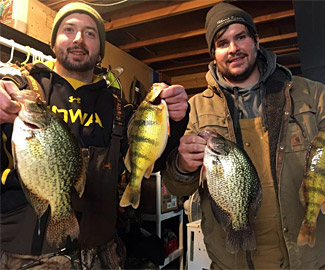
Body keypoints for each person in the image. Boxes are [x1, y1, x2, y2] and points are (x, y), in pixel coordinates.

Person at [162, 2, 325, 270]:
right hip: (232, 261)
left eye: (240, 37)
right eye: (222, 43)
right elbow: (176, 187)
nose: (233, 49)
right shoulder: (195, 109)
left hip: (306, 260)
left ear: (256, 40)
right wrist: (183, 166)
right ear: (213, 53)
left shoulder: (307, 92)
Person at [0, 2, 188, 269]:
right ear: (53, 43)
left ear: (100, 51)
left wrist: (176, 120)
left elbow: (152, 160)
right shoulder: (20, 89)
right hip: (26, 257)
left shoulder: (118, 108)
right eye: (69, 30)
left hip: (103, 255)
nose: (79, 39)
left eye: (90, 33)